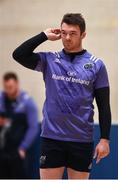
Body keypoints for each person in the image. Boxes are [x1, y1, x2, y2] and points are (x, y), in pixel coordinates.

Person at [12, 13, 111, 179]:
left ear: (83, 35)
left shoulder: (97, 65)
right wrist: (43, 36)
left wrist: (105, 139)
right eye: (64, 33)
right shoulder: (49, 60)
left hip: (81, 140)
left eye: (72, 33)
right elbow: (19, 55)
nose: (67, 38)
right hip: (52, 139)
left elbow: (104, 105)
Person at [0, 72, 39, 179]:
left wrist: (23, 147)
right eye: (6, 87)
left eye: (11, 87)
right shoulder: (1, 100)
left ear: (17, 84)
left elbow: (33, 127)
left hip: (18, 151)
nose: (8, 90)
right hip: (3, 149)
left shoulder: (27, 103)